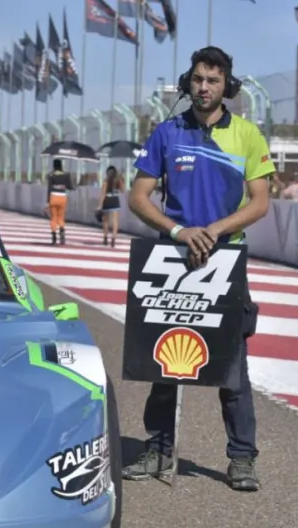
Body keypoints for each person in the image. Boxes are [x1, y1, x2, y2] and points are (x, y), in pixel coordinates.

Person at [124, 46, 275, 491]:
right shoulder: (167, 133)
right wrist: (179, 232)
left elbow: (260, 203)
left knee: (232, 366)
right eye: (198, 79)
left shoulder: (247, 134)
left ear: (227, 84)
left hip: (226, 260)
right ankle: (157, 449)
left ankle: (242, 458)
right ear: (187, 83)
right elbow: (138, 197)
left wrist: (211, 230)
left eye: (214, 79)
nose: (205, 87)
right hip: (173, 256)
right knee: (166, 358)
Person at [45, 159, 74, 245]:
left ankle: (54, 236)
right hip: (62, 197)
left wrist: (47, 201)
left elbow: (49, 189)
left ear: (54, 166)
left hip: (53, 197)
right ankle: (62, 232)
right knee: (61, 217)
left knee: (53, 218)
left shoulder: (51, 175)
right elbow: (70, 187)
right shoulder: (66, 175)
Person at [96, 166, 122, 247]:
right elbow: (123, 190)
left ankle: (105, 238)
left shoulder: (105, 181)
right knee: (115, 221)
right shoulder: (118, 181)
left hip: (107, 200)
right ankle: (113, 239)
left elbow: (103, 194)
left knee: (105, 221)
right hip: (115, 200)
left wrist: (100, 205)